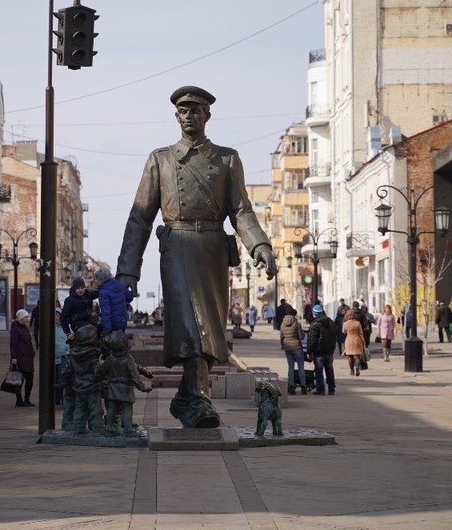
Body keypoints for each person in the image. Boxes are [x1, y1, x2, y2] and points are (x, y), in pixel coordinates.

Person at [116, 85, 277, 428]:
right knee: (193, 325)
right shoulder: (160, 159)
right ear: (176, 117)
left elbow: (241, 210)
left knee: (212, 328)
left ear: (207, 115)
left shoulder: (227, 159)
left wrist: (259, 245)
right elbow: (140, 217)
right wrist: (128, 270)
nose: (189, 116)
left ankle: (188, 397)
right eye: (183, 111)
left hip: (214, 250)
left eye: (195, 110)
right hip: (177, 247)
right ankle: (199, 401)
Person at [305, 304, 336, 396]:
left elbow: (312, 340)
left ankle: (320, 390)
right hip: (329, 351)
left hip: (319, 352)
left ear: (314, 314)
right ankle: (331, 389)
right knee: (329, 370)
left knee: (319, 371)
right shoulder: (330, 322)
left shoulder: (315, 324)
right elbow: (335, 335)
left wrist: (309, 351)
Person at [10, 309, 36, 407]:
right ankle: (19, 400)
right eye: (25, 317)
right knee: (19, 379)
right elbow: (13, 344)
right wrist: (14, 356)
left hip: (28, 357)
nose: (27, 319)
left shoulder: (25, 328)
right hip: (20, 358)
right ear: (21, 318)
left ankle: (27, 398)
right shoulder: (16, 329)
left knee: (30, 378)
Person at [95, 267, 133, 334]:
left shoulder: (103, 292)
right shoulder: (118, 284)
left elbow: (106, 313)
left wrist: (107, 329)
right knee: (120, 339)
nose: (95, 281)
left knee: (97, 333)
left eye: (96, 279)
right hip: (123, 322)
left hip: (113, 325)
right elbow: (130, 297)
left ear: (101, 280)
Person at [280, 306, 306, 394]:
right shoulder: (296, 323)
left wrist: (283, 345)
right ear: (294, 315)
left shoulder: (282, 324)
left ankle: (291, 385)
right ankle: (303, 386)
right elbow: (301, 336)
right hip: (297, 347)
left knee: (290, 367)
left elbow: (281, 337)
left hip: (287, 348)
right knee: (301, 367)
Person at [342, 309, 366, 376]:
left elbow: (343, 332)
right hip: (357, 340)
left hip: (349, 340)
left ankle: (351, 370)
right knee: (357, 356)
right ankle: (357, 368)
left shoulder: (345, 324)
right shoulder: (357, 323)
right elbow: (361, 333)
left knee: (350, 356)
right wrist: (363, 341)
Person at [53, 309, 69, 405]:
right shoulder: (49, 327)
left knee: (61, 378)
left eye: (58, 315)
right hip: (52, 357)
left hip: (63, 356)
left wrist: (67, 349)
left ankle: (61, 398)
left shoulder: (65, 327)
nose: (56, 317)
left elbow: (68, 339)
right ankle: (55, 398)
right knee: (53, 378)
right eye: (54, 315)